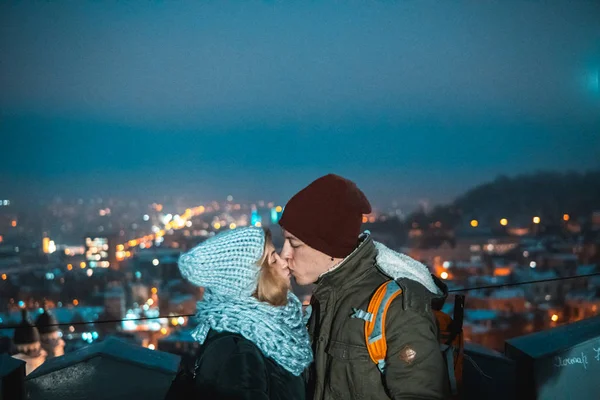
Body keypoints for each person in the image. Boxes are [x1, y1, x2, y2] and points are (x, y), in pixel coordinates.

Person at [279, 174, 447, 400]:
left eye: (294, 243)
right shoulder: (326, 297)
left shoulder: (395, 307)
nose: (284, 255)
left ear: (329, 244)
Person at [176, 226, 313, 400]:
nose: (284, 263)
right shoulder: (238, 353)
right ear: (250, 280)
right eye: (272, 260)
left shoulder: (270, 332)